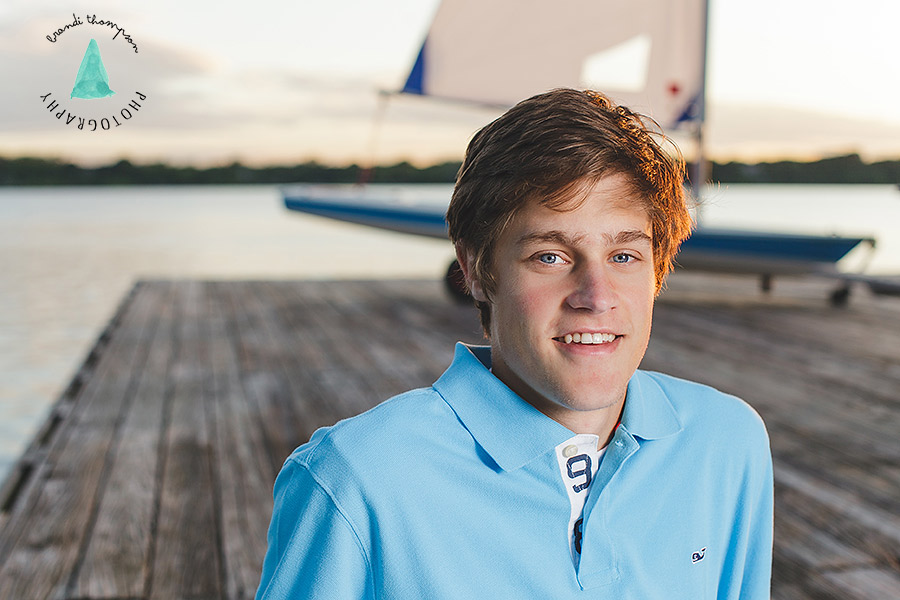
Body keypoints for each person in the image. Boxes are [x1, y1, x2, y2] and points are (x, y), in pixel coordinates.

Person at [255, 88, 773, 599]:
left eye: (623, 257)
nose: (596, 297)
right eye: (550, 256)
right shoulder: (355, 479)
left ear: (658, 270)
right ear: (477, 270)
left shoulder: (725, 442)